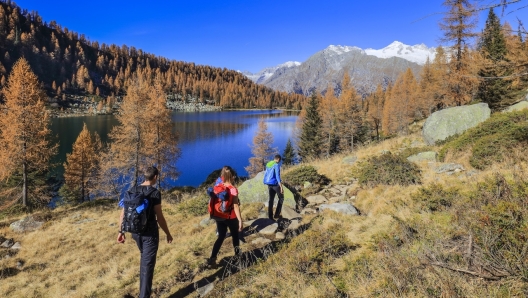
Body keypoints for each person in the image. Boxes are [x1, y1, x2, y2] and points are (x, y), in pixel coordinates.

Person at [117, 166, 173, 298]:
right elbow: (159, 217)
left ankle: (143, 293)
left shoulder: (132, 190)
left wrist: (121, 231)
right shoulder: (154, 193)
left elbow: (123, 214)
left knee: (144, 261)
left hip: (135, 233)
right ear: (155, 177)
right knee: (148, 266)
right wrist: (168, 233)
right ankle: (144, 296)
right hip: (150, 234)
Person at [206, 166, 243, 268]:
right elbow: (235, 205)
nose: (235, 177)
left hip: (219, 216)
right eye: (233, 175)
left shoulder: (218, 186)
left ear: (222, 175)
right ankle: (237, 256)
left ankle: (212, 259)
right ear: (231, 176)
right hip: (230, 217)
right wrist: (240, 220)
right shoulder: (233, 189)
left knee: (221, 237)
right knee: (235, 236)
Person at [263, 154, 283, 220]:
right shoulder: (276, 165)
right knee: (281, 198)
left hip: (269, 184)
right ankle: (277, 214)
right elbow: (277, 176)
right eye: (279, 161)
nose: (279, 162)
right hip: (275, 184)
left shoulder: (268, 164)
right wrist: (281, 186)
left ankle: (270, 216)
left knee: (271, 200)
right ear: (278, 159)